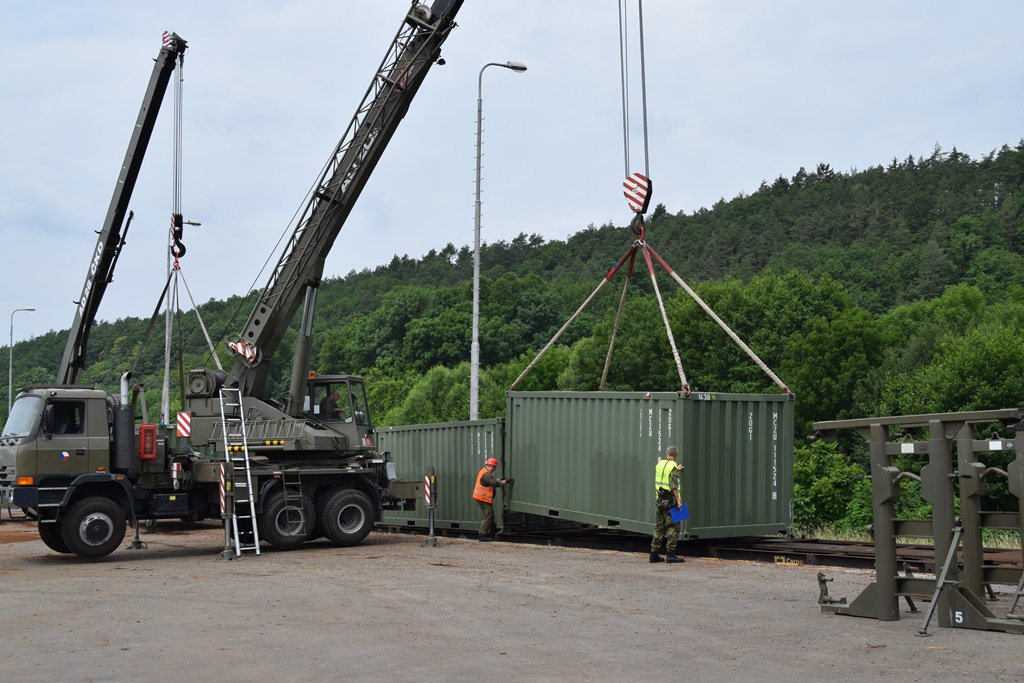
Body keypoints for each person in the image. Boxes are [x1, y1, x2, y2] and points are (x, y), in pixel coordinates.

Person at [650, 445, 685, 564]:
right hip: (671, 502)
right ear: (676, 456)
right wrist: (679, 501)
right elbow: (673, 485)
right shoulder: (673, 467)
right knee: (673, 527)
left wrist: (677, 470)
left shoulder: (660, 464)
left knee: (659, 528)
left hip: (660, 501)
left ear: (667, 454)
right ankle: (671, 555)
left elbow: (666, 474)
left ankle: (653, 554)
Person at [472, 457, 512, 541]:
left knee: (490, 514)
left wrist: (500, 479)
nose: (494, 469)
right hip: (482, 498)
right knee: (488, 516)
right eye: (494, 467)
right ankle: (482, 534)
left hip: (483, 498)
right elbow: (493, 482)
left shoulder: (486, 472)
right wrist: (504, 482)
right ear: (491, 466)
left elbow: (492, 480)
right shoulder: (486, 474)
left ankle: (492, 529)